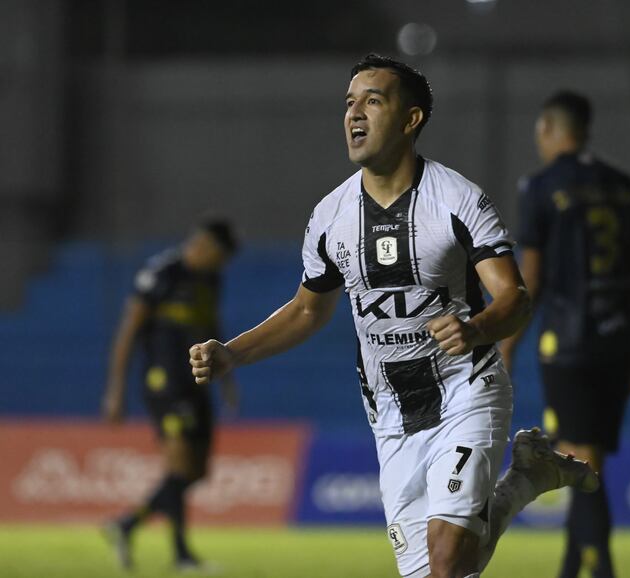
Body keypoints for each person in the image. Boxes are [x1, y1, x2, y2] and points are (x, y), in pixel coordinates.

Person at [189, 55, 597, 578]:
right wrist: (230, 353)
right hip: (393, 413)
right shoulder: (329, 217)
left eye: (373, 101)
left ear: (411, 120)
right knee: (442, 572)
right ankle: (527, 478)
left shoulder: (457, 200)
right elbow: (307, 310)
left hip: (465, 389)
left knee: (447, 560)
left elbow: (514, 297)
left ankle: (523, 478)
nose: (355, 113)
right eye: (349, 103)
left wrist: (475, 329)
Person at [500, 91, 630, 578]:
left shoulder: (542, 186)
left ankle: (602, 567)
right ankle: (572, 566)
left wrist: (506, 345)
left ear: (548, 128)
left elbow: (534, 280)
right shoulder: (626, 187)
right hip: (619, 340)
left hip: (568, 342)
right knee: (584, 456)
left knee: (579, 460)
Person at [102, 219, 239, 570]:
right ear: (207, 246)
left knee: (195, 472)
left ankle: (127, 525)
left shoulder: (210, 279)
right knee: (178, 464)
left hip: (197, 382)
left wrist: (227, 381)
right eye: (220, 258)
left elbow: (213, 329)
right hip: (165, 383)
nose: (221, 267)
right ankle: (181, 555)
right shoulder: (162, 273)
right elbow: (128, 330)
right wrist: (115, 390)